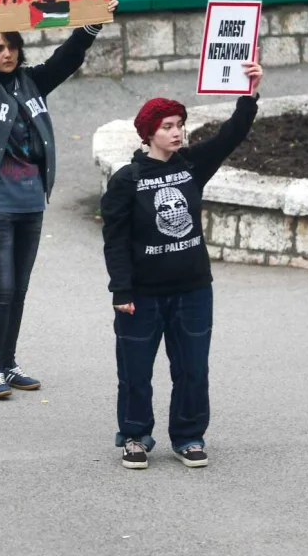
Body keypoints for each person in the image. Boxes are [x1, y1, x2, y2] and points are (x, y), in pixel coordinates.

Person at [100, 61, 264, 470]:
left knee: (192, 368)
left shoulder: (192, 165)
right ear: (149, 132)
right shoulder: (127, 180)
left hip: (193, 290)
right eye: (168, 125)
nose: (177, 132)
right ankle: (135, 436)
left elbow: (230, 137)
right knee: (135, 371)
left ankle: (189, 436)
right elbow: (115, 240)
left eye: (180, 124)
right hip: (142, 296)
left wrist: (250, 94)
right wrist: (121, 290)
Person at [0, 0, 117, 399]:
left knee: (19, 288)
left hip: (31, 202)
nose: (7, 53)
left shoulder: (33, 81)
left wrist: (94, 21)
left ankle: (9, 363)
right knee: (1, 287)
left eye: (11, 45)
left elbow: (68, 57)